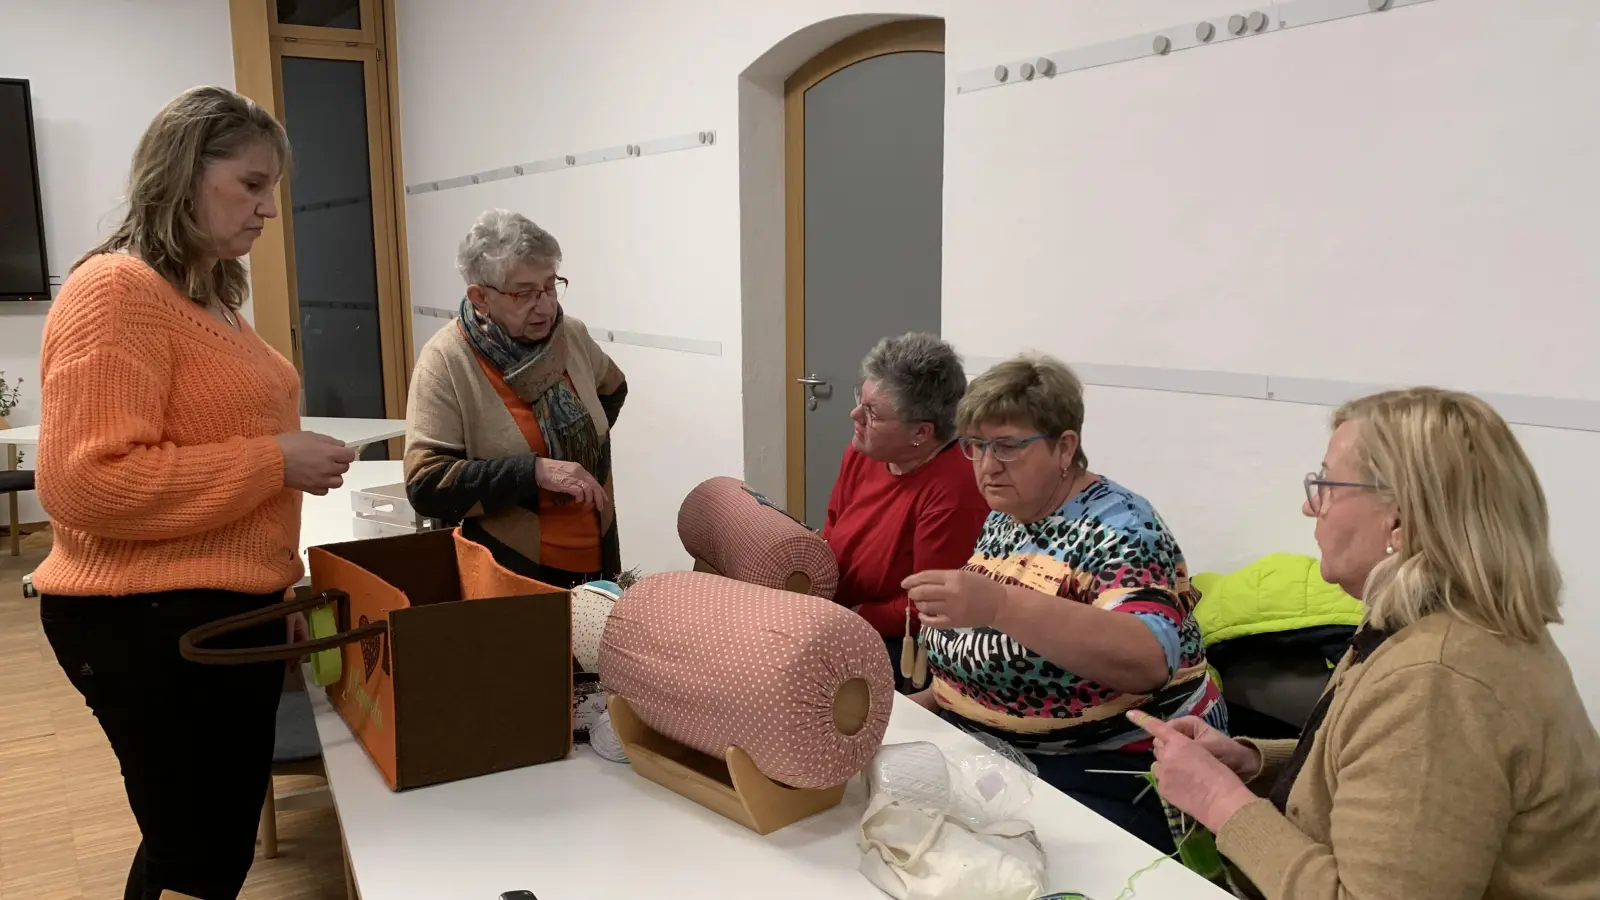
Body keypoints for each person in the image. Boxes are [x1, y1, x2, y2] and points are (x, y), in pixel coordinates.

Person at [33, 86, 357, 900]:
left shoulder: (206, 297)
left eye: (271, 187)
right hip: (143, 620)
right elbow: (84, 482)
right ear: (182, 174)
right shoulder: (117, 291)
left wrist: (273, 585)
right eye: (250, 185)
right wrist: (272, 461)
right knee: (199, 854)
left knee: (198, 845)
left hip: (208, 610)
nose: (268, 209)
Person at [1132, 388, 1600, 900]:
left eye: (1327, 486)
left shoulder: (1437, 677)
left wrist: (1220, 802)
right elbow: (1402, 782)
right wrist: (1253, 763)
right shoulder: (1444, 626)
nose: (1310, 506)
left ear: (1399, 519)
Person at [903, 354, 1223, 851]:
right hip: (992, 750)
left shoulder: (1121, 528)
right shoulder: (1008, 515)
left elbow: (1147, 659)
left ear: (1065, 447)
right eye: (975, 446)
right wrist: (921, 708)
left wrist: (999, 605)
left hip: (1108, 764)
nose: (987, 465)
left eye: (1007, 446)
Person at [405, 209, 627, 588]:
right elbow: (426, 484)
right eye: (524, 294)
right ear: (480, 297)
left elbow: (613, 388)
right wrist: (534, 472)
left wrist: (577, 443)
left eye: (550, 286)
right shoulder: (446, 359)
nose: (545, 305)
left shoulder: (571, 336)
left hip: (597, 556)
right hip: (511, 570)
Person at [822, 334, 990, 690]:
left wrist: (852, 618)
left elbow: (929, 602)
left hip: (903, 641)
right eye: (860, 399)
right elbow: (832, 531)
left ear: (921, 432)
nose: (855, 415)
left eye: (872, 413)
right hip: (843, 616)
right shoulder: (864, 453)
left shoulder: (956, 488)